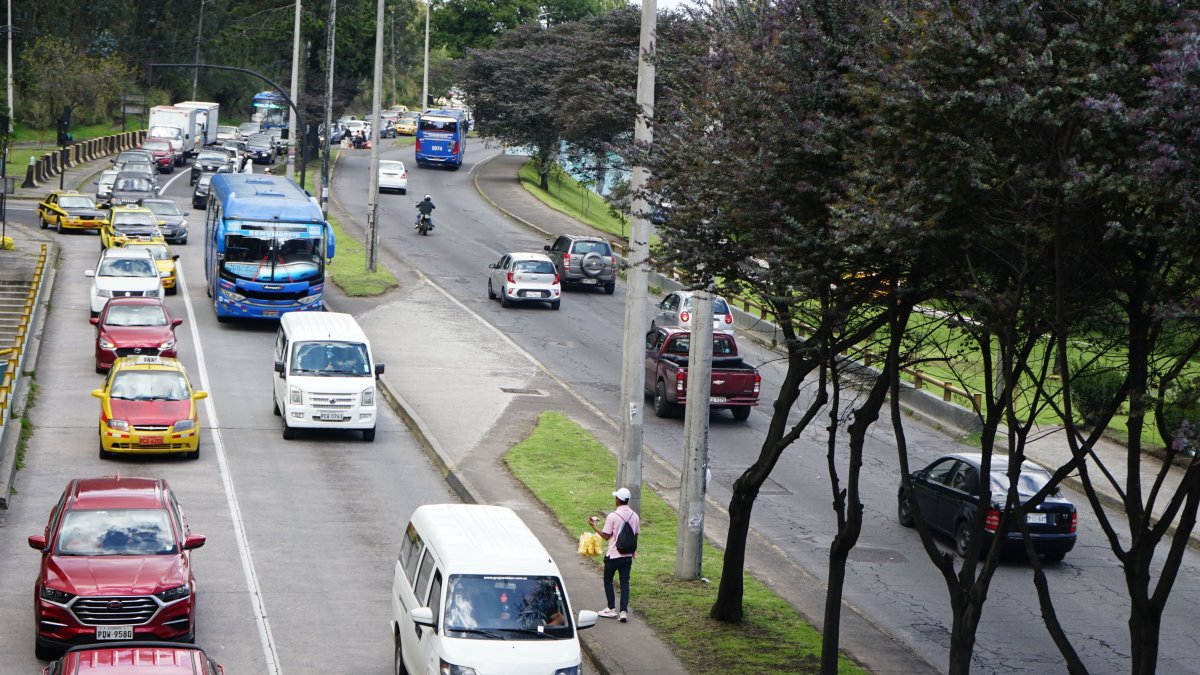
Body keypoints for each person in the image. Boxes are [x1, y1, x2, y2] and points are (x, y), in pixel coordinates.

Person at [587, 486, 640, 623]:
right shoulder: (635, 516)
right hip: (627, 556)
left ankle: (611, 608)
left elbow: (606, 536)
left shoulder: (613, 516)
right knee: (624, 583)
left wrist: (593, 526)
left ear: (618, 500)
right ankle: (623, 611)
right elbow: (635, 535)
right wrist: (632, 552)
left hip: (614, 555)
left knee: (608, 579)